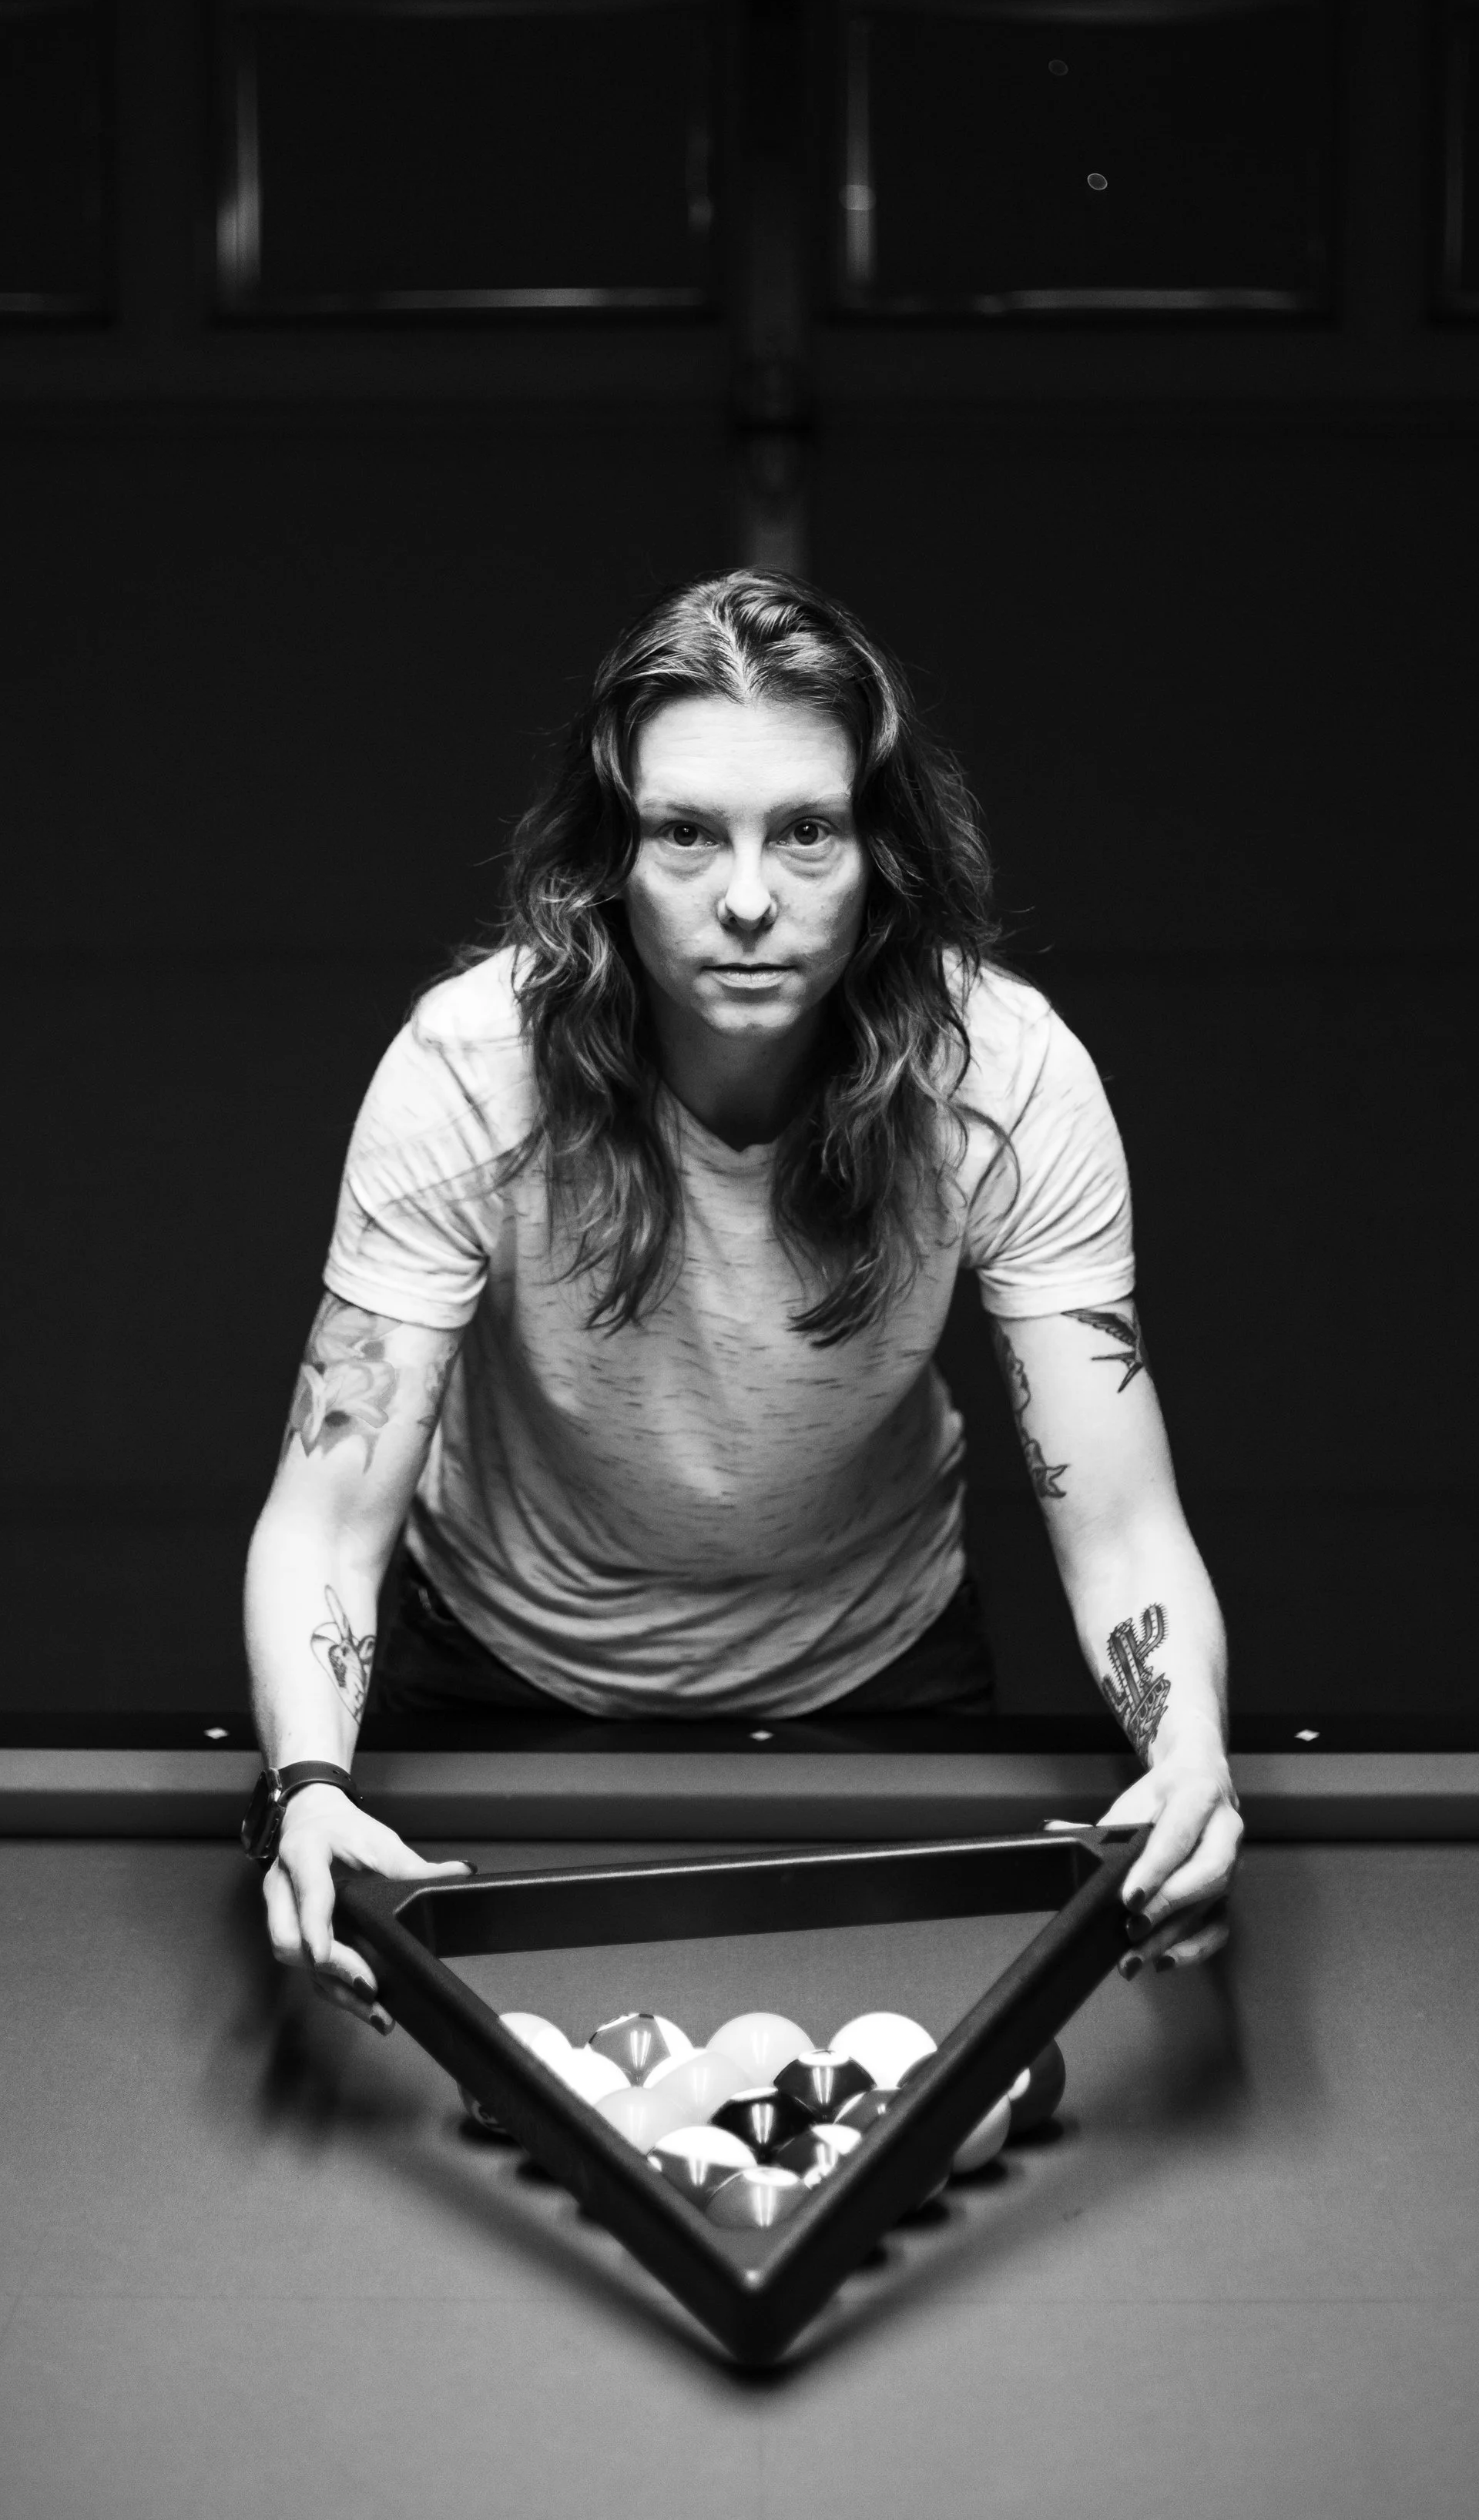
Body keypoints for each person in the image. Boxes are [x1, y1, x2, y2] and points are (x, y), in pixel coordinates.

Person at [243, 571, 1243, 2033]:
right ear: (609, 859)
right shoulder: (468, 1067)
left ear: (879, 853)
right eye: (687, 831)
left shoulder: (1007, 1074)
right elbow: (327, 1515)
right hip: (501, 1669)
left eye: (809, 830)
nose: (752, 895)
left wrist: (1196, 1743)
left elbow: (1125, 1519)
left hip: (883, 1669)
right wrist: (310, 1784)